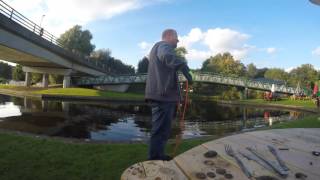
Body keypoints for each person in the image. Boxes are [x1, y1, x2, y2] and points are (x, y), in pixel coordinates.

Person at [145, 29, 193, 161]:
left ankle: (158, 155)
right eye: (176, 38)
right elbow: (167, 56)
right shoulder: (163, 45)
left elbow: (167, 63)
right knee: (160, 130)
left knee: (163, 130)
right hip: (162, 97)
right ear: (169, 37)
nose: (178, 41)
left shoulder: (159, 47)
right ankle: (155, 159)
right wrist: (184, 66)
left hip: (162, 96)